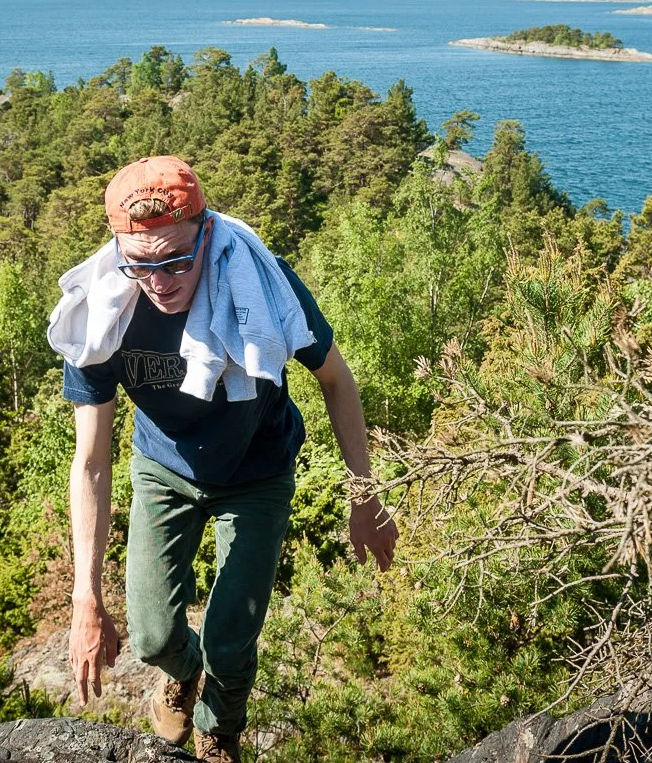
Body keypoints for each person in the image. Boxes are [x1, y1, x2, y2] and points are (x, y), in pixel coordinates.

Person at [49, 155, 397, 763]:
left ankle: (219, 734)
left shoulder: (262, 284)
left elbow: (338, 380)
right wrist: (85, 597)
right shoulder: (102, 312)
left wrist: (365, 500)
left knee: (232, 641)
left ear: (206, 233)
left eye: (177, 258)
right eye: (141, 262)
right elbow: (91, 463)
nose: (159, 279)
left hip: (256, 471)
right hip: (165, 470)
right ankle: (182, 674)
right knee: (154, 636)